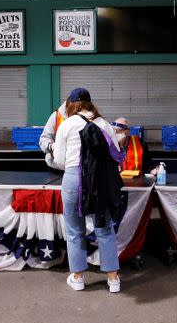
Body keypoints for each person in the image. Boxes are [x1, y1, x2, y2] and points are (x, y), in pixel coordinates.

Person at [52, 88, 123, 293]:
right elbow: (116, 154)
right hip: (100, 181)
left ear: (71, 104)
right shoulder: (104, 124)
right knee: (104, 227)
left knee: (75, 230)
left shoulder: (66, 125)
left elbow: (59, 161)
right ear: (90, 103)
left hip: (74, 178)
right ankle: (113, 279)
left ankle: (78, 277)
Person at [39, 100, 68, 169]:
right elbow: (43, 140)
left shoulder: (88, 117)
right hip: (56, 167)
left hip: (79, 169)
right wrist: (52, 146)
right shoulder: (56, 116)